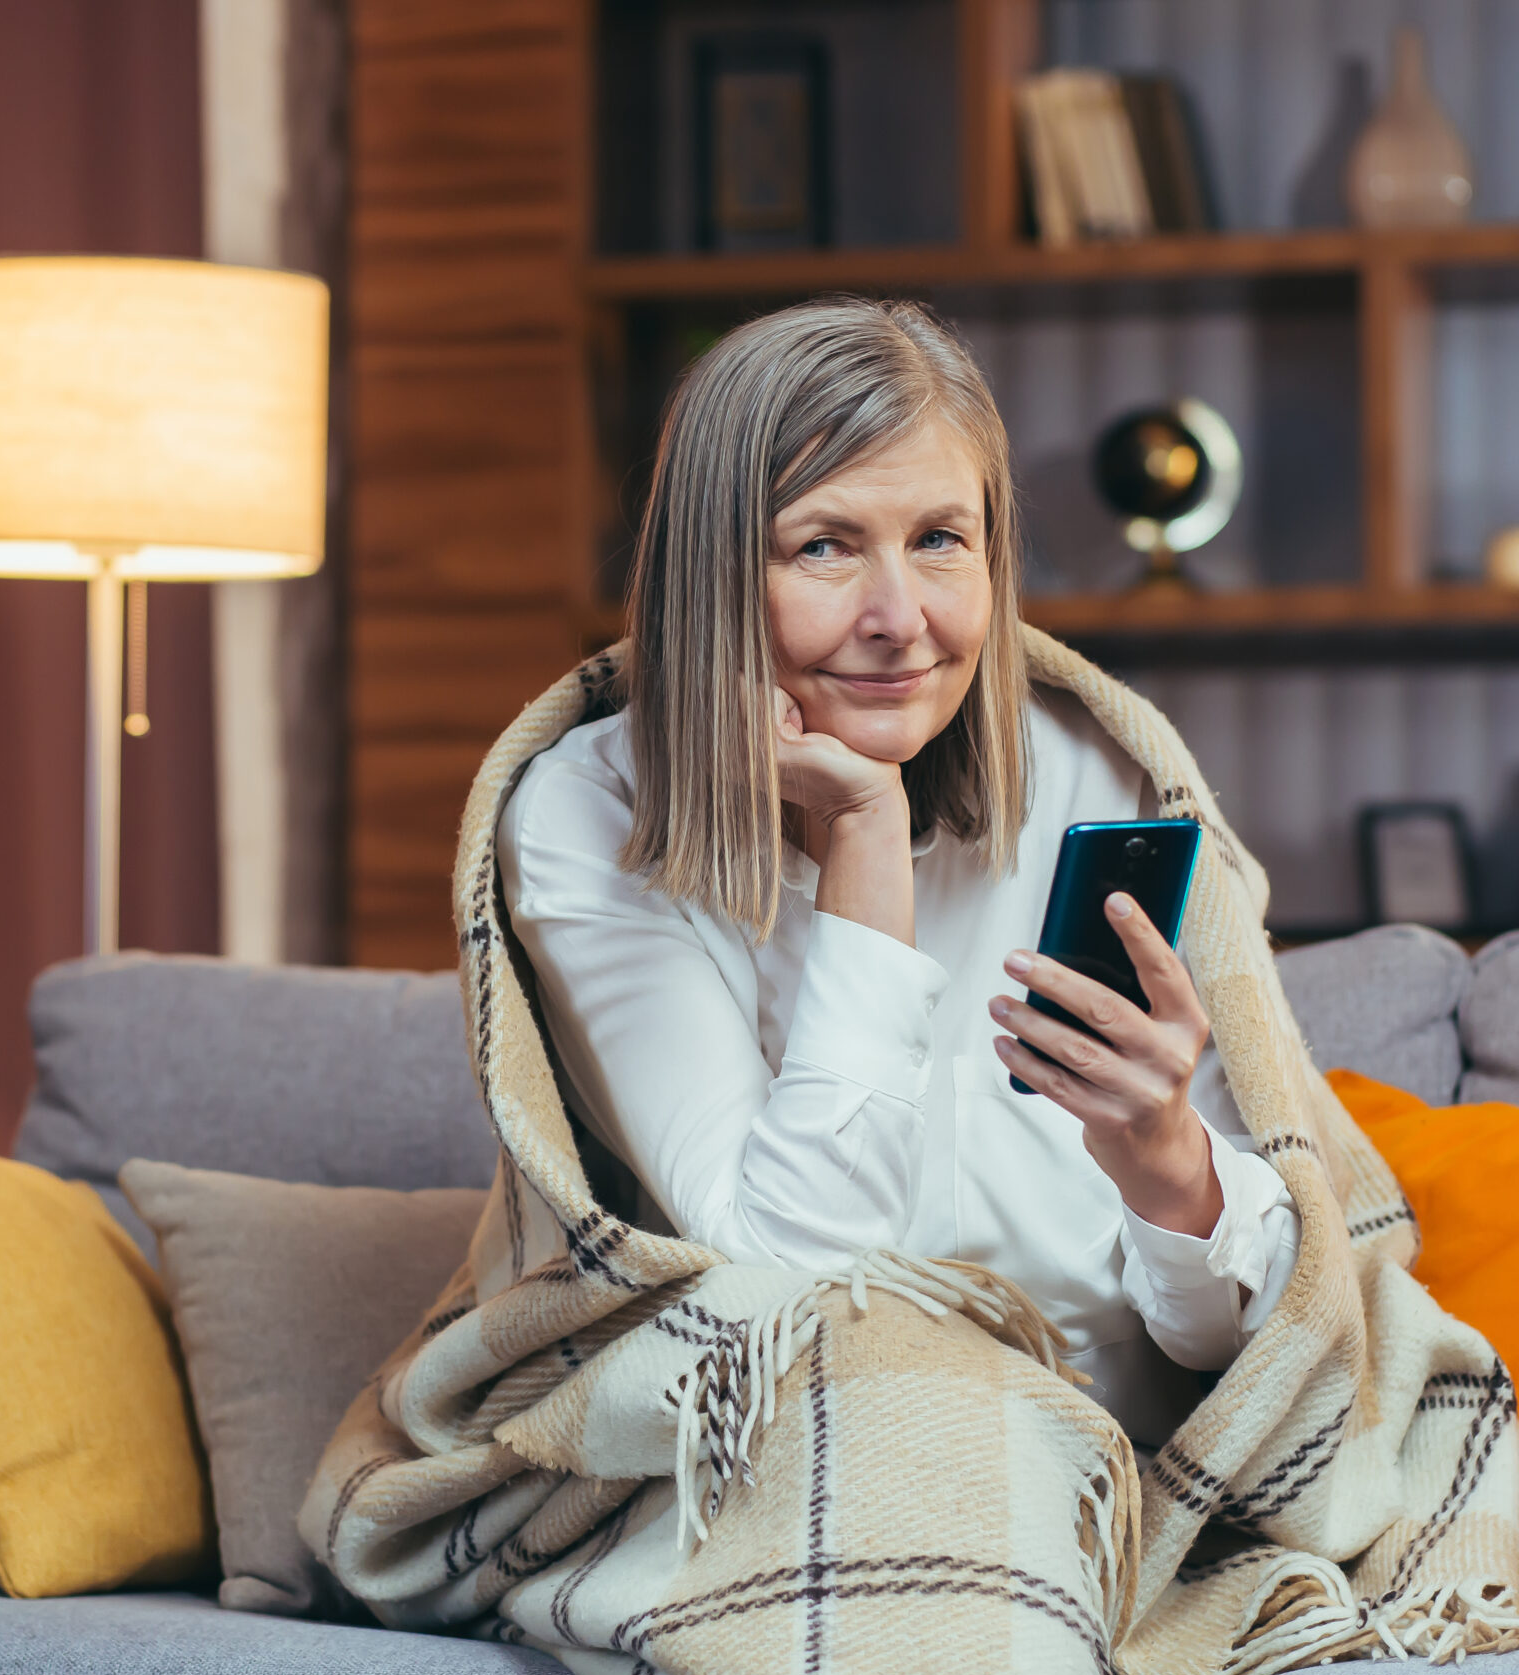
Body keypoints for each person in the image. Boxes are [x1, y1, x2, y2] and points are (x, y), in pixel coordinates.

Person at [496, 297, 1299, 1446]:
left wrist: (1166, 1159)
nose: (901, 620)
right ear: (715, 576)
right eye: (823, 546)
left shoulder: (1100, 774)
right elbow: (789, 1289)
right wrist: (867, 833)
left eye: (939, 540)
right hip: (803, 1450)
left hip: (1111, 1461)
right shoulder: (592, 812)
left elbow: (1238, 1338)